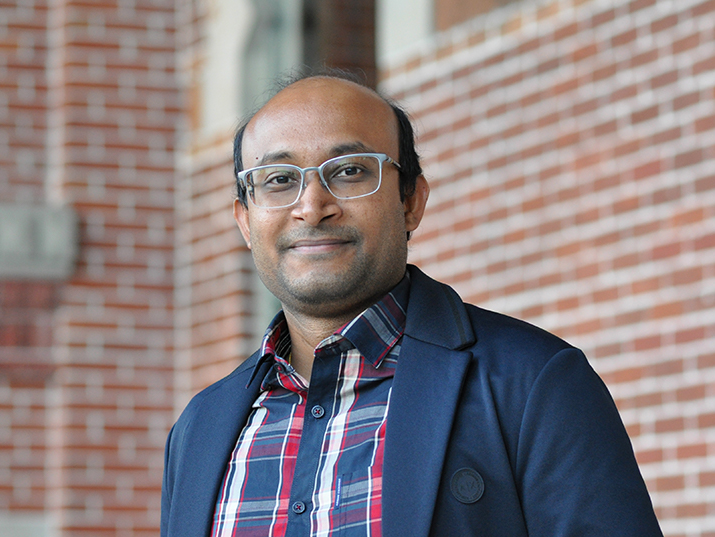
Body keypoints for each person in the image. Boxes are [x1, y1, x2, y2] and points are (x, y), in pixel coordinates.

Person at [161, 73, 663, 536]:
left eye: (351, 171)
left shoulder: (535, 386)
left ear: (411, 202)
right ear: (245, 222)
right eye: (278, 179)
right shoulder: (199, 429)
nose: (312, 206)